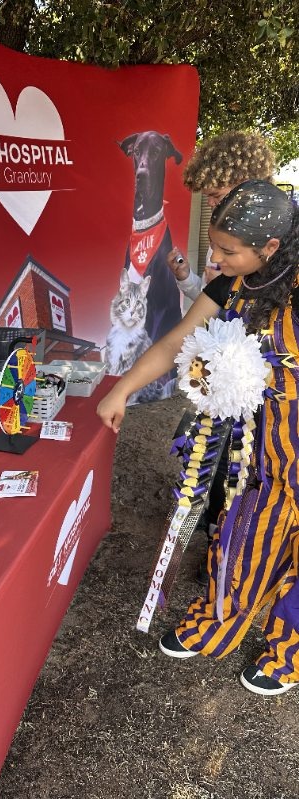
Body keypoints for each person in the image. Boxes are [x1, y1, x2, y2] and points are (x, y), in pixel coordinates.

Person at [97, 180, 299, 696]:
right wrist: (123, 389)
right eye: (215, 244)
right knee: (244, 530)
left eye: (229, 250)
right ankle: (219, 622)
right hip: (257, 448)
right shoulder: (230, 287)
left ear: (270, 247)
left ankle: (289, 649)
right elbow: (173, 344)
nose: (216, 257)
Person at [167, 132, 277, 585]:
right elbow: (209, 306)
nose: (214, 209)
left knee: (253, 475)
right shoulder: (231, 256)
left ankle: (241, 559)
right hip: (229, 392)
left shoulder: (273, 257)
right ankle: (219, 542)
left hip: (272, 403)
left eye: (216, 196)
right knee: (216, 462)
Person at [168, 131, 276, 301]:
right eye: (207, 197)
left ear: (246, 185)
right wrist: (185, 277)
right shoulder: (219, 237)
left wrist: (228, 290)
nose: (210, 203)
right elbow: (206, 302)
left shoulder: (279, 244)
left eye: (216, 196)